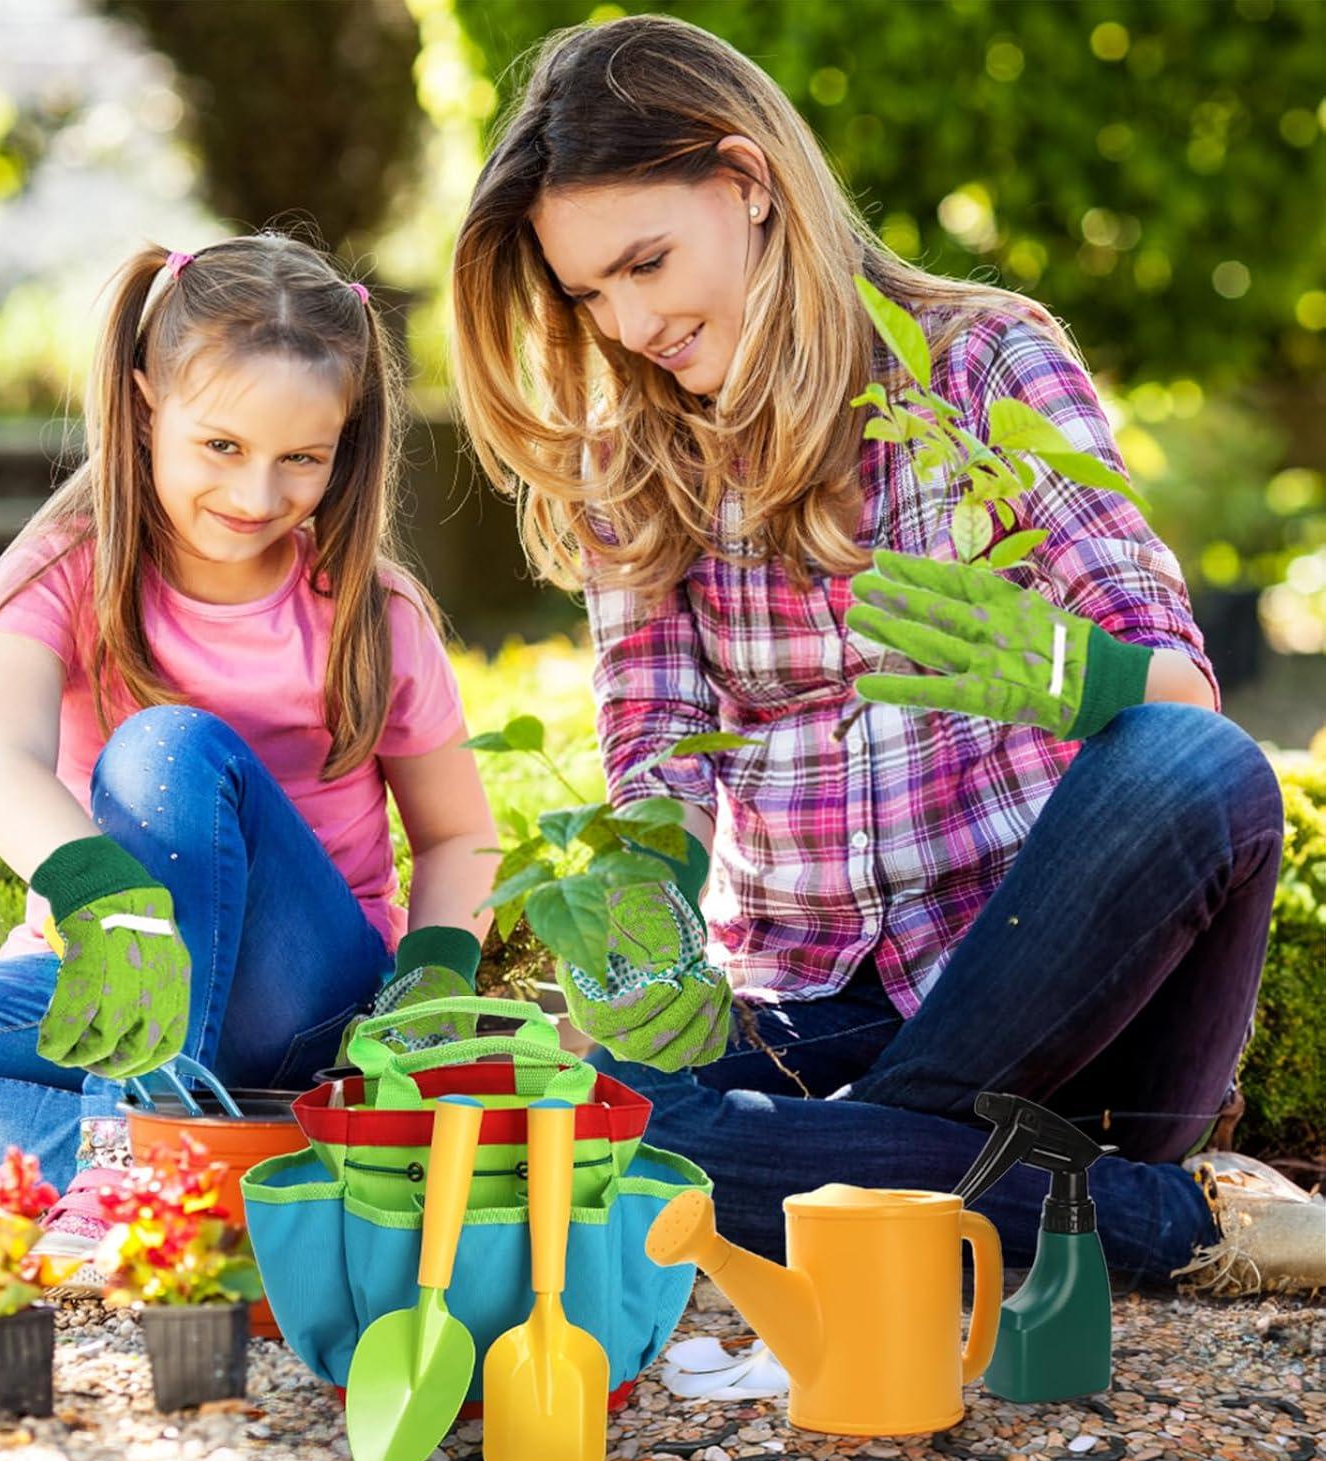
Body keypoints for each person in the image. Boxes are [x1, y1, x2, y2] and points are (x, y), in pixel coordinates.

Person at [449, 15, 1322, 1296]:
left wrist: (1080, 678)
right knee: (592, 1112)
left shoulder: (982, 360)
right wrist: (645, 915)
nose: (629, 321)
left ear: (748, 186)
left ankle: (854, 1167)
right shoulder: (631, 459)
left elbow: (1187, 714)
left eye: (646, 262)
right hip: (813, 1007)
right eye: (589, 294)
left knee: (1196, 763)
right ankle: (1159, 1221)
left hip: (1070, 1003)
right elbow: (656, 757)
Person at [0, 234, 499, 1275]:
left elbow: (459, 835)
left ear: (346, 444)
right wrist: (102, 902)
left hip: (303, 999)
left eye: (302, 459)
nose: (258, 492)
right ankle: (184, 1163)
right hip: (116, 975)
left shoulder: (371, 610)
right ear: (144, 406)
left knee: (166, 748)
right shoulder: (59, 571)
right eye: (221, 446)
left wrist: (430, 991)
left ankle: (139, 1150)